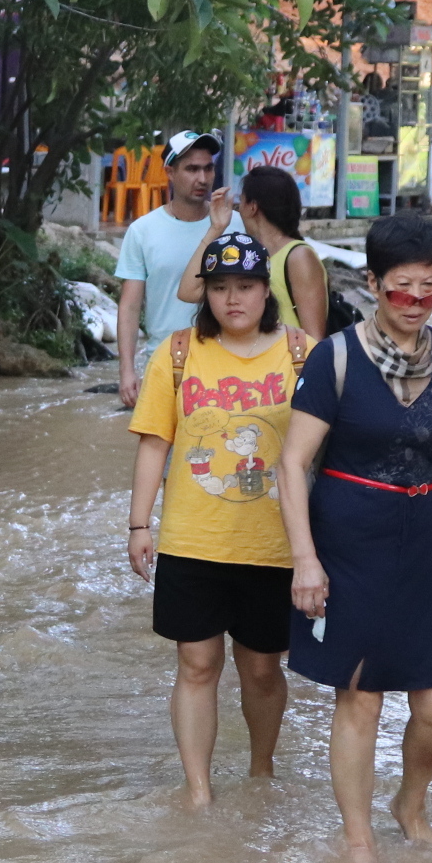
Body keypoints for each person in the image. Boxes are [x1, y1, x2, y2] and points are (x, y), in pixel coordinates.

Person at [276, 215, 432, 863]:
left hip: (426, 540)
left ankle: (410, 802)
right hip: (350, 540)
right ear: (372, 283)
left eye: (431, 291)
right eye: (403, 290)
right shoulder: (334, 359)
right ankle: (358, 838)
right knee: (361, 695)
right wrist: (305, 560)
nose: (417, 305)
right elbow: (292, 464)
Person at [126, 231, 310, 805]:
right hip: (192, 538)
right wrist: (139, 525)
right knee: (197, 662)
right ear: (204, 293)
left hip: (274, 543)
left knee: (260, 669)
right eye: (221, 287)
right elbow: (156, 442)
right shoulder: (178, 353)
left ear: (266, 291)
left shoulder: (303, 353)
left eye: (247, 286)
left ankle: (261, 769)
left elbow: (324, 448)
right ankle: (199, 790)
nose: (234, 299)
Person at [115, 130, 222, 407]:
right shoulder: (142, 231)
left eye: (208, 168)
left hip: (226, 360)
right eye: (192, 169)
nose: (202, 178)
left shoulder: (233, 224)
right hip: (165, 361)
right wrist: (127, 370)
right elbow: (129, 307)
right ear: (170, 172)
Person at [167, 164, 332, 340]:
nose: (238, 209)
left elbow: (314, 338)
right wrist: (216, 229)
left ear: (252, 207)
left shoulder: (299, 257)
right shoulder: (245, 254)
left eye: (240, 202)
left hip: (287, 363)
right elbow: (187, 292)